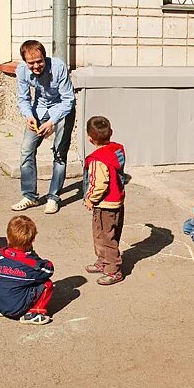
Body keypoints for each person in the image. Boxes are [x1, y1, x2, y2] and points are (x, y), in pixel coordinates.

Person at [11, 40, 76, 215]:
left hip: (62, 110)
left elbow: (68, 100)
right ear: (25, 61)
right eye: (31, 63)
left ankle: (53, 197)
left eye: (39, 61)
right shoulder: (22, 71)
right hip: (39, 109)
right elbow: (23, 99)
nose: (36, 66)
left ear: (45, 57)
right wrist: (29, 116)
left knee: (59, 153)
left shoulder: (58, 67)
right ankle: (30, 196)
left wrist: (52, 123)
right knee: (26, 149)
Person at [83, 116, 127, 285]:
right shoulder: (116, 150)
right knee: (111, 233)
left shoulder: (97, 159)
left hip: (104, 204)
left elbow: (99, 183)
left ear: (90, 138)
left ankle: (113, 269)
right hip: (117, 200)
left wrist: (90, 199)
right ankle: (104, 261)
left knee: (103, 237)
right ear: (111, 133)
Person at [0, 215, 54, 325]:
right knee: (47, 284)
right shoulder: (30, 263)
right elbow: (49, 270)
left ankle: (2, 309)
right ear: (32, 240)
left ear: (8, 238)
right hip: (16, 307)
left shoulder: (0, 254)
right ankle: (33, 313)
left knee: (7, 281)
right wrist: (34, 256)